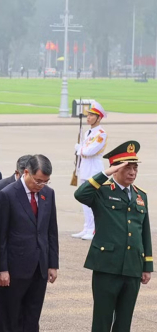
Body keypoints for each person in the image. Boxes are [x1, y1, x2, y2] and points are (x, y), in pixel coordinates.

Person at [74, 141, 152, 332]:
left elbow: (144, 232)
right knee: (103, 317)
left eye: (135, 169)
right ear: (115, 168)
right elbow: (80, 194)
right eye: (127, 168)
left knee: (125, 318)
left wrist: (147, 265)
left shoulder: (140, 196)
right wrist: (104, 173)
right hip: (107, 265)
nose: (132, 173)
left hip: (132, 265)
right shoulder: (101, 191)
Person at [0, 154, 58, 332]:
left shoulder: (48, 194)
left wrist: (52, 263)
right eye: (38, 180)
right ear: (25, 173)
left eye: (45, 182)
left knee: (32, 319)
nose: (41, 185)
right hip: (12, 268)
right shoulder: (6, 194)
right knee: (8, 318)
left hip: (38, 266)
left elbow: (51, 230)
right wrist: (1, 268)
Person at [74, 101, 107, 240]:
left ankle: (93, 229)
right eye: (88, 115)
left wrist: (78, 149)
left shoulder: (101, 133)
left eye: (92, 115)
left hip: (94, 170)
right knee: (84, 200)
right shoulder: (88, 132)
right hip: (85, 169)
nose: (88, 118)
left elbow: (89, 151)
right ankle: (87, 227)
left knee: (92, 201)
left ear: (99, 118)